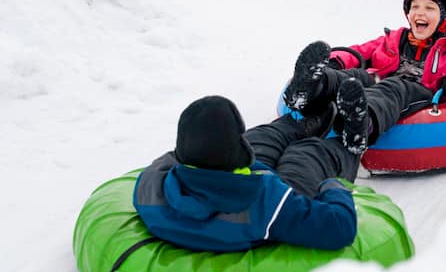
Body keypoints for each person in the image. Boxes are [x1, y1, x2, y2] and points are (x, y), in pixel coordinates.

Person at [283, 0, 446, 155]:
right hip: (379, 81)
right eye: (415, 7)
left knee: (393, 87)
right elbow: (360, 51)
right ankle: (311, 89)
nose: (420, 13)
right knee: (357, 76)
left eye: (430, 8)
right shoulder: (394, 38)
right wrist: (335, 61)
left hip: (417, 91)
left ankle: (360, 125)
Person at [133, 94, 363, 252]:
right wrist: (332, 186)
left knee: (259, 141)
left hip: (222, 180)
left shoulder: (150, 185)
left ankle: (303, 119)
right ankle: (347, 143)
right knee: (305, 155)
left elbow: (178, 157)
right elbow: (340, 227)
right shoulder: (265, 204)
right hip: (263, 194)